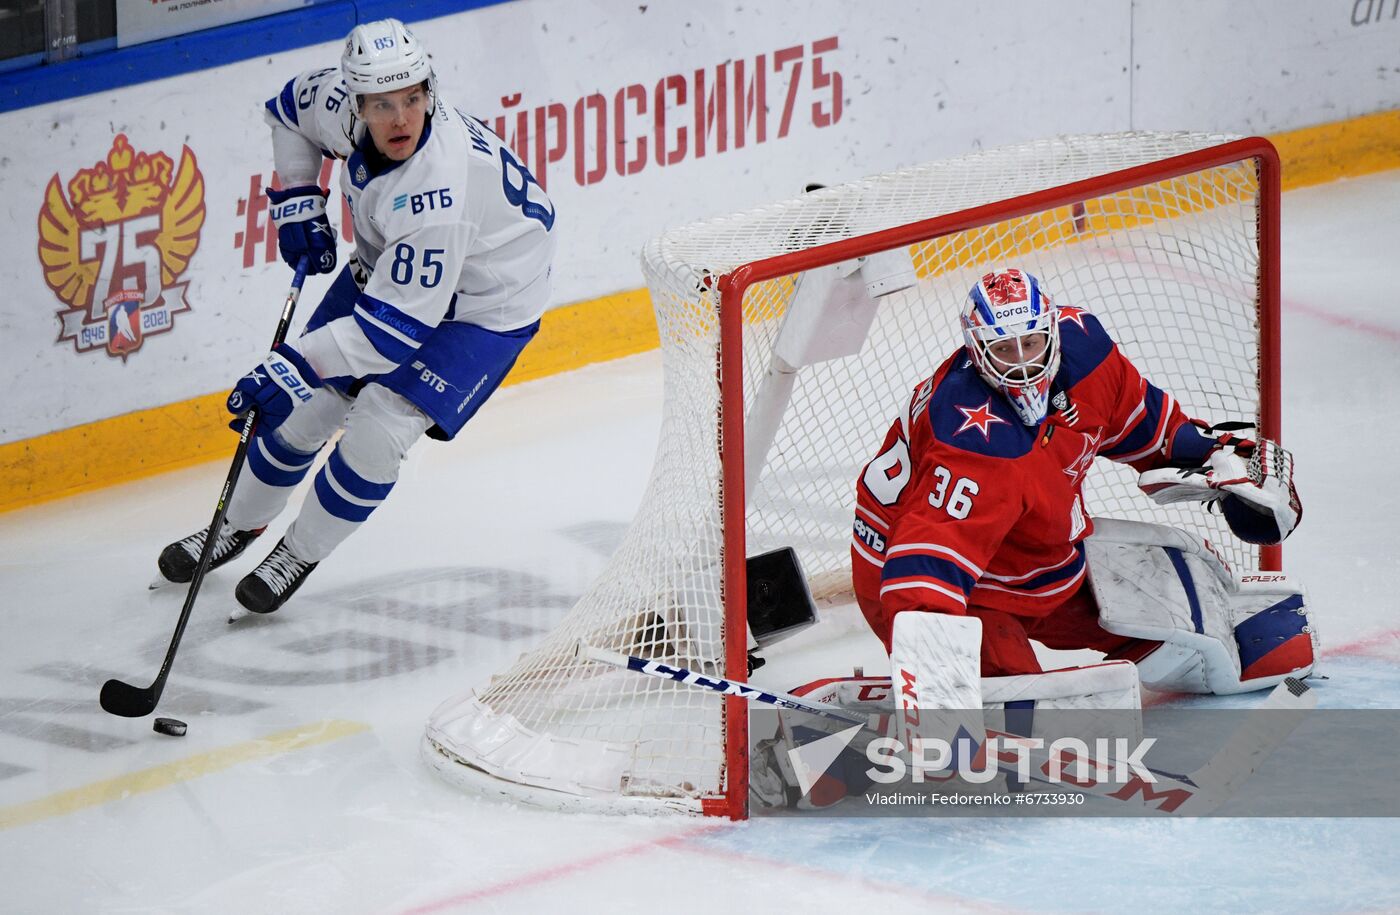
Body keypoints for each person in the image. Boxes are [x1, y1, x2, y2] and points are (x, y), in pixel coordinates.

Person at [155, 18, 556, 615]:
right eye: (384, 104)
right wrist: (296, 200)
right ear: (358, 101)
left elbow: (390, 335)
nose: (401, 119)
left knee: (377, 430)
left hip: (484, 306)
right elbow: (289, 110)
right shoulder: (344, 105)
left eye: (414, 100)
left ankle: (299, 550)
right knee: (305, 407)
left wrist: (290, 365)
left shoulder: (436, 191)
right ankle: (236, 525)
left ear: (430, 90)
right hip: (394, 273)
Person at [850, 268, 1310, 690]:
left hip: (1031, 550)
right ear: (977, 348)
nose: (1022, 364)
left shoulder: (1086, 352)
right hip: (930, 579)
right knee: (1013, 714)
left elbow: (1147, 426)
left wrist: (1215, 456)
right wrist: (938, 688)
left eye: (1030, 343)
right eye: (1004, 349)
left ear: (1052, 330)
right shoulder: (975, 441)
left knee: (1194, 653)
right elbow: (924, 572)